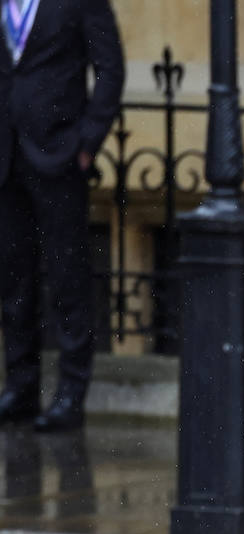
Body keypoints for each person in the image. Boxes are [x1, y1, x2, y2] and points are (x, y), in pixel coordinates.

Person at [0, 0, 124, 433]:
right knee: (14, 277)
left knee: (67, 273)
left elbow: (110, 69)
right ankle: (21, 385)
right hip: (7, 153)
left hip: (58, 153)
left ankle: (71, 391)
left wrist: (87, 142)